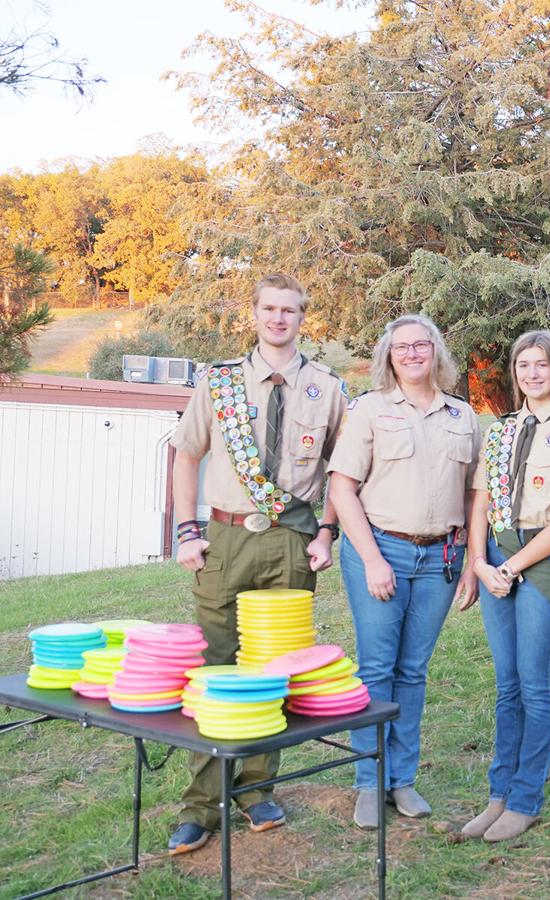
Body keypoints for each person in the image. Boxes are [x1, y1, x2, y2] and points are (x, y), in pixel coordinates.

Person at [168, 272, 348, 855]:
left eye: (289, 310)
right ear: (254, 314)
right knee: (215, 668)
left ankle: (256, 791)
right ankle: (201, 804)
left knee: (272, 668)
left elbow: (345, 471)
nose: (278, 319)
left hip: (291, 540)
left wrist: (327, 532)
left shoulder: (327, 387)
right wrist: (186, 531)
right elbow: (185, 454)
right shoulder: (219, 381)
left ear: (302, 317)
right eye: (269, 309)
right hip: (225, 538)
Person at [327, 314, 480, 829]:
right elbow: (342, 488)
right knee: (377, 670)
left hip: (440, 558)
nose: (412, 354)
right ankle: (368, 783)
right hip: (381, 550)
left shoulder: (462, 415)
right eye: (401, 348)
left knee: (413, 671)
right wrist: (372, 559)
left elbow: (474, 494)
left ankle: (402, 780)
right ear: (388, 358)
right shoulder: (370, 409)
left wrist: (471, 562)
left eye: (421, 345)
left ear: (436, 352)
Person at [459, 330, 550, 843]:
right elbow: (480, 502)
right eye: (523, 365)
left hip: (542, 563)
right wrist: (479, 562)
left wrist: (511, 567)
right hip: (496, 560)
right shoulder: (500, 432)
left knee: (535, 685)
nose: (532, 373)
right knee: (507, 686)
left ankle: (525, 800)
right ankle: (498, 795)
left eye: (542, 364)